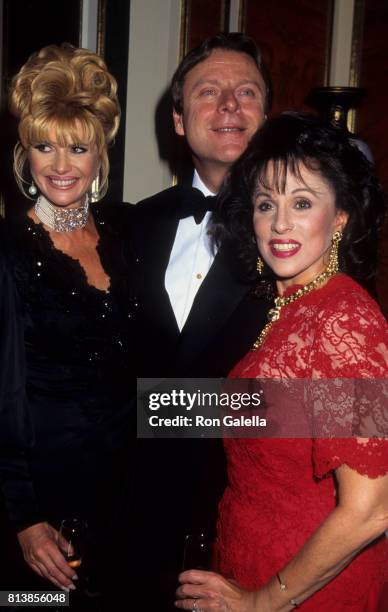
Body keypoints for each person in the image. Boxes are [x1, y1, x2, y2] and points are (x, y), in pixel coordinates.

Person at [175, 113, 388, 611]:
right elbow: (275, 419)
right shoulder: (287, 306)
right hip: (248, 565)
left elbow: (371, 508)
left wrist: (263, 601)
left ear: (340, 217)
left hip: (307, 592)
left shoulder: (346, 320)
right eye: (266, 203)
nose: (281, 223)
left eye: (302, 202)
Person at [132, 34, 273, 612]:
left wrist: (159, 408)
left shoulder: (311, 237)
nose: (230, 106)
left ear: (268, 115)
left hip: (246, 529)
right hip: (132, 529)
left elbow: (355, 406)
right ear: (177, 119)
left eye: (247, 93)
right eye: (209, 92)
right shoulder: (129, 227)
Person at [1, 44, 135, 607]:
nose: (60, 166)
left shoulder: (127, 237)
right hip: (42, 508)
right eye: (44, 146)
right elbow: (2, 396)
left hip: (125, 495)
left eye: (77, 148)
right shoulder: (7, 249)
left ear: (100, 155)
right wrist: (24, 518)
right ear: (23, 152)